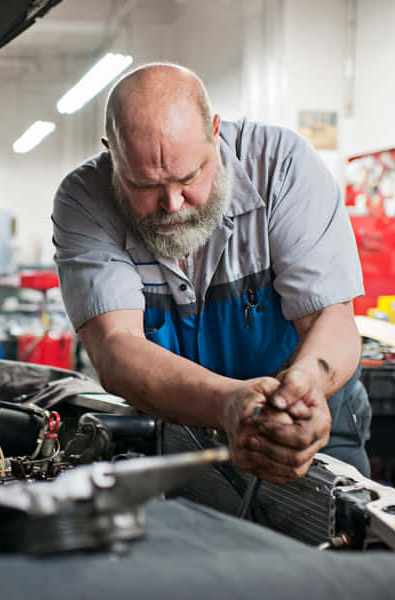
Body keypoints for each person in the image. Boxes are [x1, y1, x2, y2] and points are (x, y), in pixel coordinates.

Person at [52, 62, 370, 483]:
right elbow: (116, 347)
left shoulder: (283, 167)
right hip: (178, 425)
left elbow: (332, 316)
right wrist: (227, 403)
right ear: (112, 154)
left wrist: (305, 385)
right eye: (145, 186)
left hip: (306, 423)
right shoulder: (83, 200)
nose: (172, 203)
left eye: (190, 176)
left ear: (215, 131)